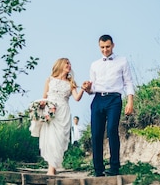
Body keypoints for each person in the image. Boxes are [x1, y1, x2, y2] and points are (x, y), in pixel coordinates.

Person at [82, 34, 134, 177]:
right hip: (98, 99)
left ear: (113, 45)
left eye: (107, 47)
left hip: (114, 99)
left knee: (112, 130)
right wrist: (87, 88)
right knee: (96, 134)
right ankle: (98, 169)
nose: (105, 50)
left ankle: (114, 166)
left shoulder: (122, 61)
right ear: (99, 47)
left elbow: (128, 82)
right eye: (102, 47)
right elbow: (92, 89)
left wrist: (130, 101)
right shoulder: (95, 64)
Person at [39, 58, 84, 175]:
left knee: (59, 139)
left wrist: (83, 89)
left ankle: (53, 168)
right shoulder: (49, 80)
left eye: (70, 63)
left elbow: (77, 98)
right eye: (67, 63)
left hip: (63, 112)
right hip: (51, 111)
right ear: (60, 65)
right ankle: (51, 169)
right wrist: (42, 104)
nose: (69, 65)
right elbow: (44, 96)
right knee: (51, 139)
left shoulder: (71, 83)